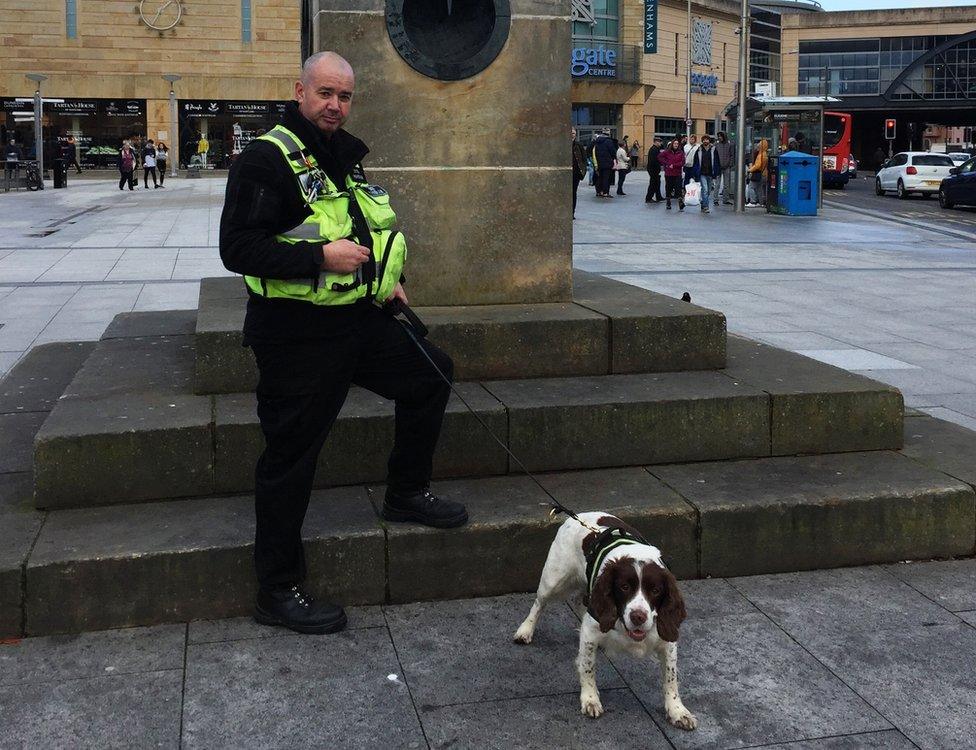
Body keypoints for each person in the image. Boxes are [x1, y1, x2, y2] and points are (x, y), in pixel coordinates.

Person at [219, 51, 468, 636]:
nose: (335, 105)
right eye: (325, 93)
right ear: (300, 91)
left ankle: (406, 492)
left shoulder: (342, 159)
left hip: (358, 322)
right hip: (294, 336)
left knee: (432, 373)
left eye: (345, 96)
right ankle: (277, 588)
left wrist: (389, 284)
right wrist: (317, 259)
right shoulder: (265, 159)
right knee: (290, 459)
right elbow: (238, 249)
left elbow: (364, 234)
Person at [694, 135, 721, 213]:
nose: (705, 141)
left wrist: (717, 172)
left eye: (707, 140)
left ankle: (703, 202)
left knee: (708, 190)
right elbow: (695, 162)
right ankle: (706, 207)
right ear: (702, 141)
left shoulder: (713, 149)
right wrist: (696, 172)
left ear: (709, 141)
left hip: (710, 173)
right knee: (705, 190)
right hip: (702, 172)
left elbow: (716, 161)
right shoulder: (699, 150)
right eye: (704, 140)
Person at [659, 139, 685, 211]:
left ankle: (680, 202)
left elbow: (682, 162)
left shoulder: (681, 152)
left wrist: (674, 165)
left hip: (677, 173)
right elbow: (660, 157)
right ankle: (668, 202)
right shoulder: (667, 152)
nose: (676, 145)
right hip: (669, 173)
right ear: (672, 144)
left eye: (677, 144)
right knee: (669, 188)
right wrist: (666, 164)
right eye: (675, 143)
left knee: (678, 188)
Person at [592, 128, 615, 197]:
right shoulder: (609, 141)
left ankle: (599, 191)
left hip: (599, 163)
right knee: (606, 178)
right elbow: (613, 152)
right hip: (607, 163)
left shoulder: (597, 141)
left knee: (600, 177)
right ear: (608, 133)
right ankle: (605, 192)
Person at [746, 138, 769, 207]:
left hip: (758, 173)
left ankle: (753, 202)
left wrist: (750, 170)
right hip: (764, 174)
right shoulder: (765, 154)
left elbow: (757, 165)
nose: (757, 147)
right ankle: (761, 202)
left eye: (759, 146)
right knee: (759, 189)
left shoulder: (761, 155)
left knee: (751, 187)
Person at [715, 132, 734, 205]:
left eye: (720, 136)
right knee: (717, 184)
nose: (719, 137)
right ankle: (715, 200)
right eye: (718, 136)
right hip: (719, 167)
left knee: (726, 184)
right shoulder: (716, 144)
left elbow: (732, 155)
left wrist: (730, 165)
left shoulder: (729, 144)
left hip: (727, 167)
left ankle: (725, 199)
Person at [571, 127, 587, 218]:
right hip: (566, 174)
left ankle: (572, 213)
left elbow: (584, 158)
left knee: (573, 193)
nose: (572, 135)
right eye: (570, 133)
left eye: (573, 133)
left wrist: (583, 171)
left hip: (576, 173)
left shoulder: (579, 145)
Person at [645, 136, 663, 203]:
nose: (660, 143)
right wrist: (659, 166)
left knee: (657, 183)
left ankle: (659, 196)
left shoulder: (656, 149)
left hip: (654, 169)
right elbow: (654, 161)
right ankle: (648, 198)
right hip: (653, 170)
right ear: (656, 142)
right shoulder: (654, 149)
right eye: (659, 142)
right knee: (653, 184)